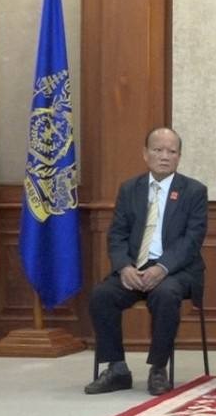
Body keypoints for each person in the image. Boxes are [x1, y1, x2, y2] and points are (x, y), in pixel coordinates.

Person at [85, 127, 207, 396]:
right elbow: (117, 234)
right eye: (158, 150)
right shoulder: (130, 188)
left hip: (176, 271)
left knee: (165, 295)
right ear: (145, 154)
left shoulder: (194, 191)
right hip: (134, 268)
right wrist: (124, 267)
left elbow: (192, 240)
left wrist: (162, 267)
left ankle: (158, 368)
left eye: (171, 151)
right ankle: (117, 368)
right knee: (102, 295)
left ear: (179, 156)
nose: (164, 156)